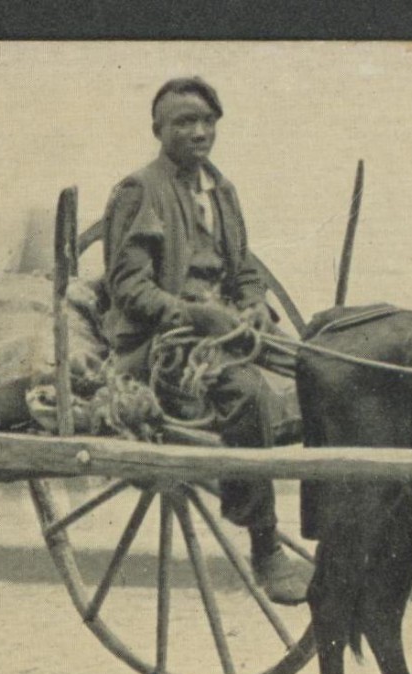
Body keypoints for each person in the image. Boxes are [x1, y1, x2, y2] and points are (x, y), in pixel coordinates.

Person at [101, 77, 312, 605]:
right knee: (246, 393)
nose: (198, 132)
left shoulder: (222, 190)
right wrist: (196, 316)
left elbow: (244, 270)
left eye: (207, 121)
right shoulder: (139, 190)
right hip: (161, 346)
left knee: (319, 374)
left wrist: (249, 305)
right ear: (159, 130)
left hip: (227, 331)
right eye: (184, 122)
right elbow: (126, 286)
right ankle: (265, 545)